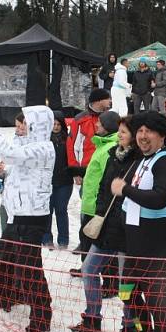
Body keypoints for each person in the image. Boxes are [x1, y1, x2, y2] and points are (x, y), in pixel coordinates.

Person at [111, 111, 166, 332]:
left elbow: (159, 199)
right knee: (128, 294)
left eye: (148, 131)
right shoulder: (145, 159)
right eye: (139, 131)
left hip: (156, 245)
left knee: (157, 304)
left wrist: (125, 189)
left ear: (162, 135)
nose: (142, 136)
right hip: (136, 243)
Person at [0, 107, 55, 332]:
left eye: (26, 124)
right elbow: (18, 168)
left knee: (29, 268)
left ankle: (41, 316)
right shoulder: (26, 146)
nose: (21, 127)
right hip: (16, 213)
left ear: (38, 126)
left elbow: (10, 153)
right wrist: (4, 173)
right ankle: (5, 295)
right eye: (20, 123)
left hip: (32, 216)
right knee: (3, 255)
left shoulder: (44, 147)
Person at [71, 114, 142, 332]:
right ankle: (92, 317)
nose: (119, 136)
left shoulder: (139, 161)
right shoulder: (113, 154)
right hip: (105, 226)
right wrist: (99, 214)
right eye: (119, 131)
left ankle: (130, 325)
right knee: (89, 269)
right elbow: (103, 187)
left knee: (125, 283)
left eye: (123, 132)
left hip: (125, 230)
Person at [68, 110, 120, 277]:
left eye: (100, 123)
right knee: (86, 239)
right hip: (89, 203)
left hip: (97, 205)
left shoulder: (110, 148)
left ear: (108, 126)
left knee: (100, 244)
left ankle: (109, 283)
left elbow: (107, 179)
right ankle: (86, 270)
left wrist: (100, 205)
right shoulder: (102, 145)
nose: (96, 124)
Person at [67, 88, 112, 253]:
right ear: (99, 100)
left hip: (106, 169)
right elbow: (72, 146)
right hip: (87, 171)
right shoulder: (80, 119)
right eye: (108, 99)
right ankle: (84, 239)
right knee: (87, 207)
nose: (110, 102)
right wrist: (76, 171)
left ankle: (101, 239)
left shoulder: (110, 117)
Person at [43, 110, 72, 249]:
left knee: (61, 209)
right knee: (47, 210)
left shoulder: (68, 140)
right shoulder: (44, 140)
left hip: (64, 181)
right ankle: (47, 238)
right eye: (53, 124)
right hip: (47, 181)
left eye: (58, 124)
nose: (55, 127)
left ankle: (63, 240)